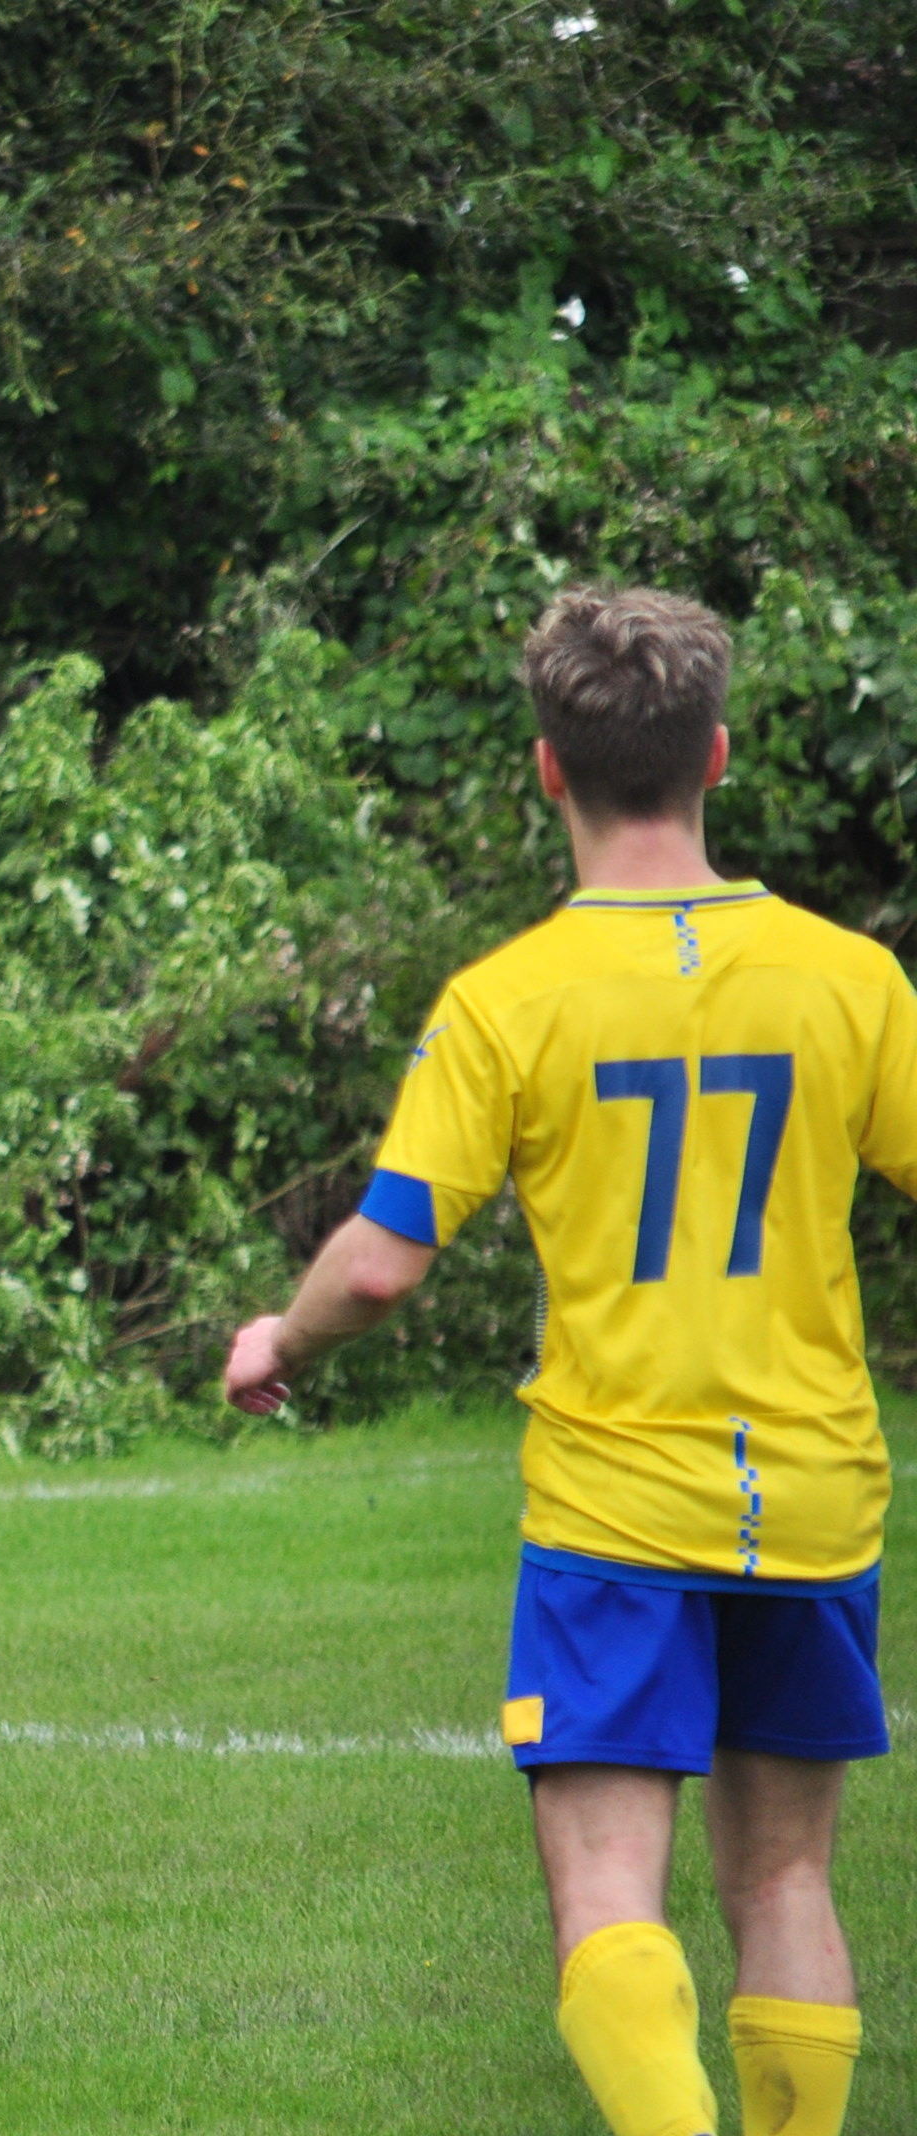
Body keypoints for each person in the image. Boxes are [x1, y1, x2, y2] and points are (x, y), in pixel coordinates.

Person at [224, 587, 896, 2136]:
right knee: (786, 1873)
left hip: (612, 1510)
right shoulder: (849, 981)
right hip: (814, 1494)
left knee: (609, 1886)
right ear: (716, 756)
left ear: (548, 770)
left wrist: (282, 1337)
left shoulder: (507, 1002)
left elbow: (382, 1263)